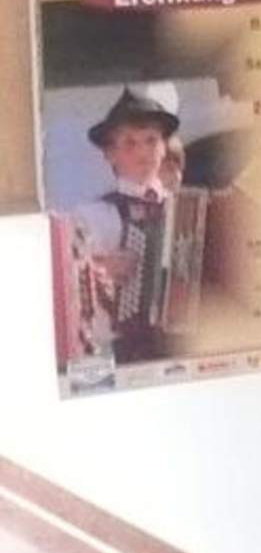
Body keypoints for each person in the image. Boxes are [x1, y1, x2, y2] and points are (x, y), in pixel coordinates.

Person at [73, 83, 184, 363]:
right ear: (110, 154)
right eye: (130, 143)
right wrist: (100, 271)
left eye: (151, 140)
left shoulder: (185, 210)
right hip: (123, 353)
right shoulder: (92, 216)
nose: (143, 151)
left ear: (164, 148)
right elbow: (65, 285)